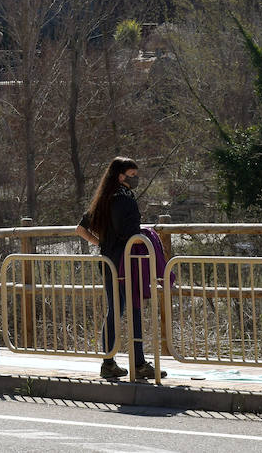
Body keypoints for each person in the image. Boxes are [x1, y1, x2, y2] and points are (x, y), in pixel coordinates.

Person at [77, 156, 165, 382]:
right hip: (125, 263)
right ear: (120, 176)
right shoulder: (122, 199)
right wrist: (145, 236)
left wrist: (102, 244)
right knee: (133, 309)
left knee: (115, 311)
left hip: (109, 262)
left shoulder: (104, 197)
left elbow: (81, 229)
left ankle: (109, 363)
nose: (136, 180)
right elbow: (127, 232)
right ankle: (138, 363)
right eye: (132, 176)